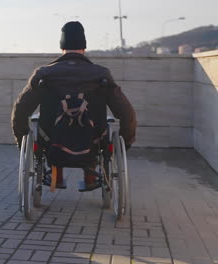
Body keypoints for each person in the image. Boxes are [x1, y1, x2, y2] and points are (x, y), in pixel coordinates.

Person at [11, 21, 136, 191]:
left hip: (51, 140)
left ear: (62, 47)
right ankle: (90, 177)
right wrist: (126, 141)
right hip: (93, 140)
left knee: (46, 126)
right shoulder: (101, 74)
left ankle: (57, 175)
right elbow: (126, 112)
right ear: (84, 47)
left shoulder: (44, 74)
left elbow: (20, 110)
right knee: (97, 129)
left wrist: (21, 140)